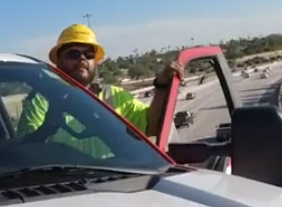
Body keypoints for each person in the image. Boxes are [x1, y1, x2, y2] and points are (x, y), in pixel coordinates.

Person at [16, 24, 182, 144]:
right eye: (73, 54)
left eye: (88, 55)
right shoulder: (41, 102)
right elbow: (27, 149)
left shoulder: (114, 96)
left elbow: (152, 126)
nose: (82, 59)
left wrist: (161, 86)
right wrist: (47, 127)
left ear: (95, 62)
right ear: (59, 63)